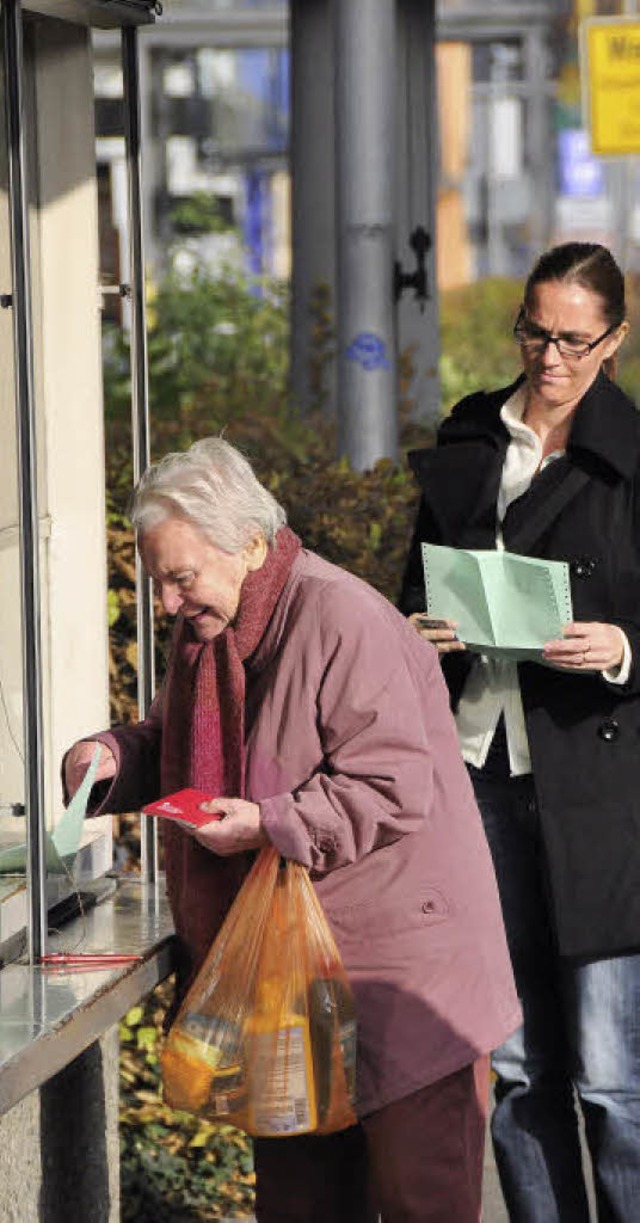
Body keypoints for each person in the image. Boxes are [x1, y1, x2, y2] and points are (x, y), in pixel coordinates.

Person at [64, 436, 519, 1223]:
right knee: (301, 1203)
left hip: (402, 973)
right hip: (291, 979)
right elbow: (175, 742)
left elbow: (390, 783)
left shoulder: (340, 616)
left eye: (181, 578)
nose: (168, 603)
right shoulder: (214, 630)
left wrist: (270, 822)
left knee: (421, 1201)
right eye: (158, 583)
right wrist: (109, 757)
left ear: (247, 542)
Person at [400, 241, 640, 1223]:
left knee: (608, 1075)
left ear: (615, 339)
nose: (548, 357)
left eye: (573, 340)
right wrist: (420, 629)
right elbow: (412, 581)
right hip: (481, 767)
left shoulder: (629, 458)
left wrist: (622, 643)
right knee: (517, 1064)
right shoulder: (469, 438)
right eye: (533, 333)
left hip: (598, 788)